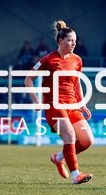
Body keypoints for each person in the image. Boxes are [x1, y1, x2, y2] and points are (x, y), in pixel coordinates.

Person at [25, 20, 94, 185]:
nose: (73, 44)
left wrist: (82, 103)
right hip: (54, 106)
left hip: (72, 106)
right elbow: (28, 79)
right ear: (60, 41)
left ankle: (59, 157)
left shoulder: (77, 60)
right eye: (70, 40)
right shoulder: (48, 59)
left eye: (75, 41)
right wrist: (36, 100)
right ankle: (76, 175)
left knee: (86, 141)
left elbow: (76, 83)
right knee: (69, 135)